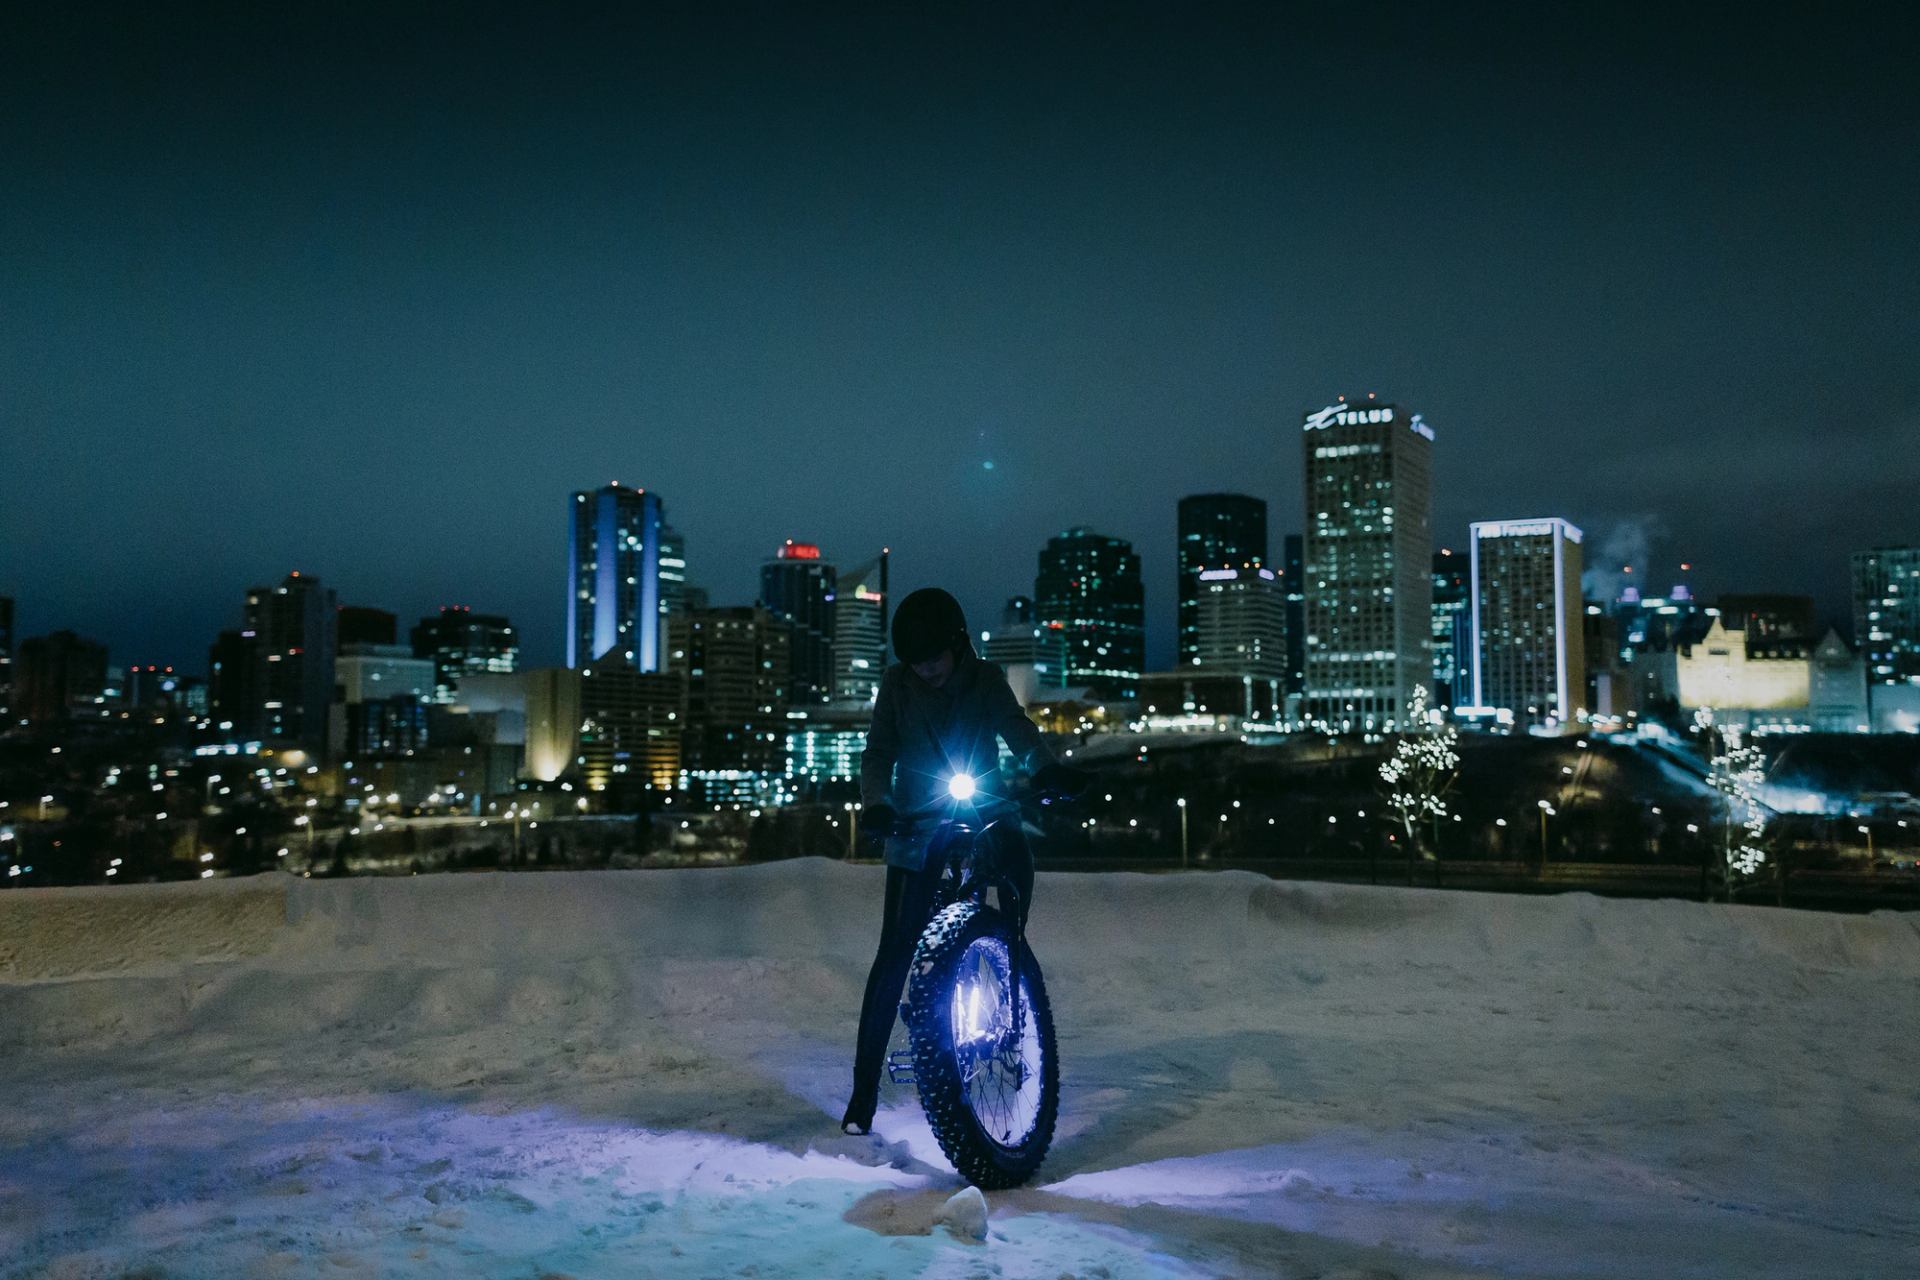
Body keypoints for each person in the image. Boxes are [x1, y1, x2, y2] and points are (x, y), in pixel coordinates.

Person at [841, 586, 1083, 1136]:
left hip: (985, 807)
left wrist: (1044, 768)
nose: (926, 669)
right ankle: (861, 1096)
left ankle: (1008, 952)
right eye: (916, 661)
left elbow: (1016, 730)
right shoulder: (897, 687)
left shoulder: (987, 681)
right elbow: (878, 752)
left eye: (934, 657)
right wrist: (877, 805)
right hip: (918, 817)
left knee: (1018, 864)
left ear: (959, 645)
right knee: (895, 952)